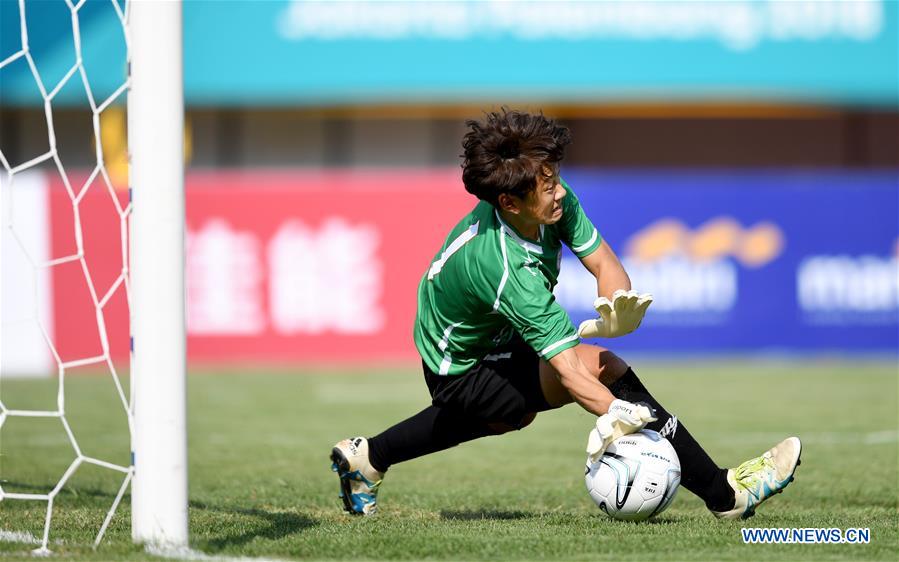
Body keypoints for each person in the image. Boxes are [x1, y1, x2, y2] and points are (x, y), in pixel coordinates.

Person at [329, 108, 800, 519]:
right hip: (459, 368)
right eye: (546, 186)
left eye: (555, 179)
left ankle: (367, 458)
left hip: (491, 337)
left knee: (513, 412)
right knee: (599, 370)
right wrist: (620, 415)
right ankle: (726, 495)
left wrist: (617, 307)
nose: (558, 193)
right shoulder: (503, 270)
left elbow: (604, 264)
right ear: (509, 203)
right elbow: (573, 373)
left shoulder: (551, 202)